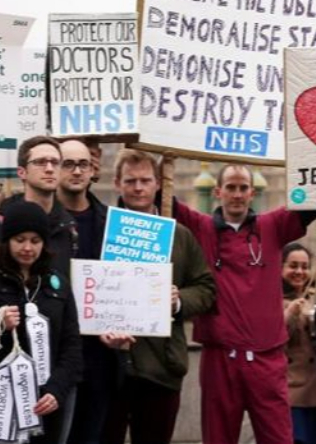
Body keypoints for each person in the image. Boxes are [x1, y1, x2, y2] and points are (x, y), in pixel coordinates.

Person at [167, 161, 316, 444]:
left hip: (267, 358)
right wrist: (163, 158)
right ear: (218, 192)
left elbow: (311, 200)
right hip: (220, 357)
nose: (237, 194)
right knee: (218, 438)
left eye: (243, 188)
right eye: (231, 187)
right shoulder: (201, 227)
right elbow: (160, 197)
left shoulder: (272, 225)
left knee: (278, 438)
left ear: (252, 193)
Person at [100, 149, 216, 444]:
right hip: (108, 367)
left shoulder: (180, 235)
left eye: (145, 180)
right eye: (130, 181)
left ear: (158, 184)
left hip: (161, 367)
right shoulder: (101, 230)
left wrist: (177, 301)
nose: (138, 188)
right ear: (117, 183)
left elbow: (206, 289)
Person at [0, 201, 83, 444]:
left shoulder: (58, 284)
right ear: (7, 241)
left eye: (35, 241)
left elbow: (71, 345)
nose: (27, 248)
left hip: (43, 406)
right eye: (20, 240)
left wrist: (56, 390)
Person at [55, 139, 112, 444]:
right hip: (54, 358)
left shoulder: (112, 223)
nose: (77, 171)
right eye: (68, 164)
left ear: (93, 170)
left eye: (83, 164)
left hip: (100, 360)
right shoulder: (41, 222)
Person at [0, 135, 77, 276]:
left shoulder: (68, 229)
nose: (49, 168)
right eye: (40, 162)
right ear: (22, 172)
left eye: (55, 162)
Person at [282, 242, 316, 444]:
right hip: (293, 391)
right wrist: (290, 314)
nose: (299, 272)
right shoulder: (271, 300)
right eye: (293, 266)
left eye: (305, 267)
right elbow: (274, 341)